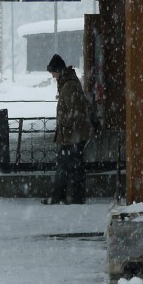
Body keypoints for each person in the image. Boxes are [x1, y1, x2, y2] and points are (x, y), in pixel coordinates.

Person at [44, 53, 92, 204]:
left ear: (59, 70)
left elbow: (74, 111)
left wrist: (64, 124)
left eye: (53, 72)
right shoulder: (68, 83)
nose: (53, 76)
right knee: (74, 167)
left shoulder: (69, 85)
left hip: (71, 135)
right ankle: (73, 197)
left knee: (65, 167)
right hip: (72, 134)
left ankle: (60, 196)